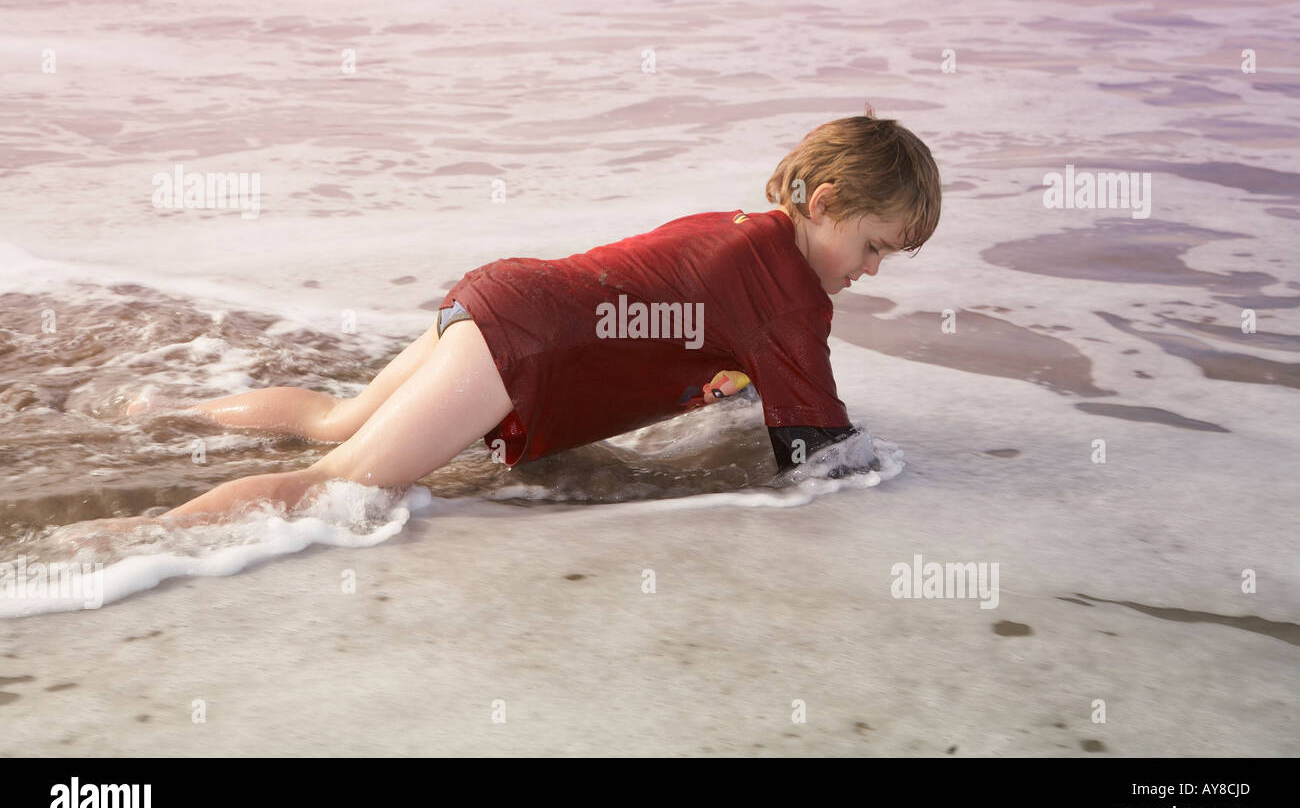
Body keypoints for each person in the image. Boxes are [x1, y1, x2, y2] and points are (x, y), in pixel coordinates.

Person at [158, 112, 941, 522]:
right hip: (521, 348)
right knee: (336, 484)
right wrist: (909, 488)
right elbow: (824, 454)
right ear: (829, 204)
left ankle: (165, 413)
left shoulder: (740, 230)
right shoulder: (792, 299)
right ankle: (119, 542)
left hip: (501, 295)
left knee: (336, 420)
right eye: (874, 247)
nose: (870, 272)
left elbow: (683, 318)